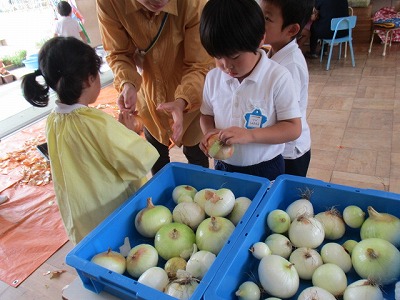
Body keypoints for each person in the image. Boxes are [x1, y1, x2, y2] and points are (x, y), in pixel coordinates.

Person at [21, 37, 159, 245]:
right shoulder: (95, 122)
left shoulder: (53, 120)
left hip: (82, 212)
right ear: (88, 80)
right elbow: (136, 160)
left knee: (97, 250)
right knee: (122, 247)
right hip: (109, 208)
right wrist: (129, 131)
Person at [96, 0, 214, 175]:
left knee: (196, 155)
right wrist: (127, 83)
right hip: (148, 97)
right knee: (156, 156)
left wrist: (182, 101)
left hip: (190, 94)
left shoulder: (194, 3)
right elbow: (118, 53)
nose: (159, 1)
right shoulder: (111, 3)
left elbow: (200, 65)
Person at [199, 0, 302, 181]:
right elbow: (206, 114)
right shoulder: (213, 78)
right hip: (223, 166)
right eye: (217, 57)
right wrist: (209, 132)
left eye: (234, 57)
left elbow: (293, 128)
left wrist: (250, 135)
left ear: (260, 39)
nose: (226, 66)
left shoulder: (277, 77)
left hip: (265, 168)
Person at [259, 0, 313, 177]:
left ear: (291, 30)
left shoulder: (291, 66)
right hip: (279, 148)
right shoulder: (273, 52)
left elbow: (289, 120)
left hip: (290, 153)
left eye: (266, 18)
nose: (258, 21)